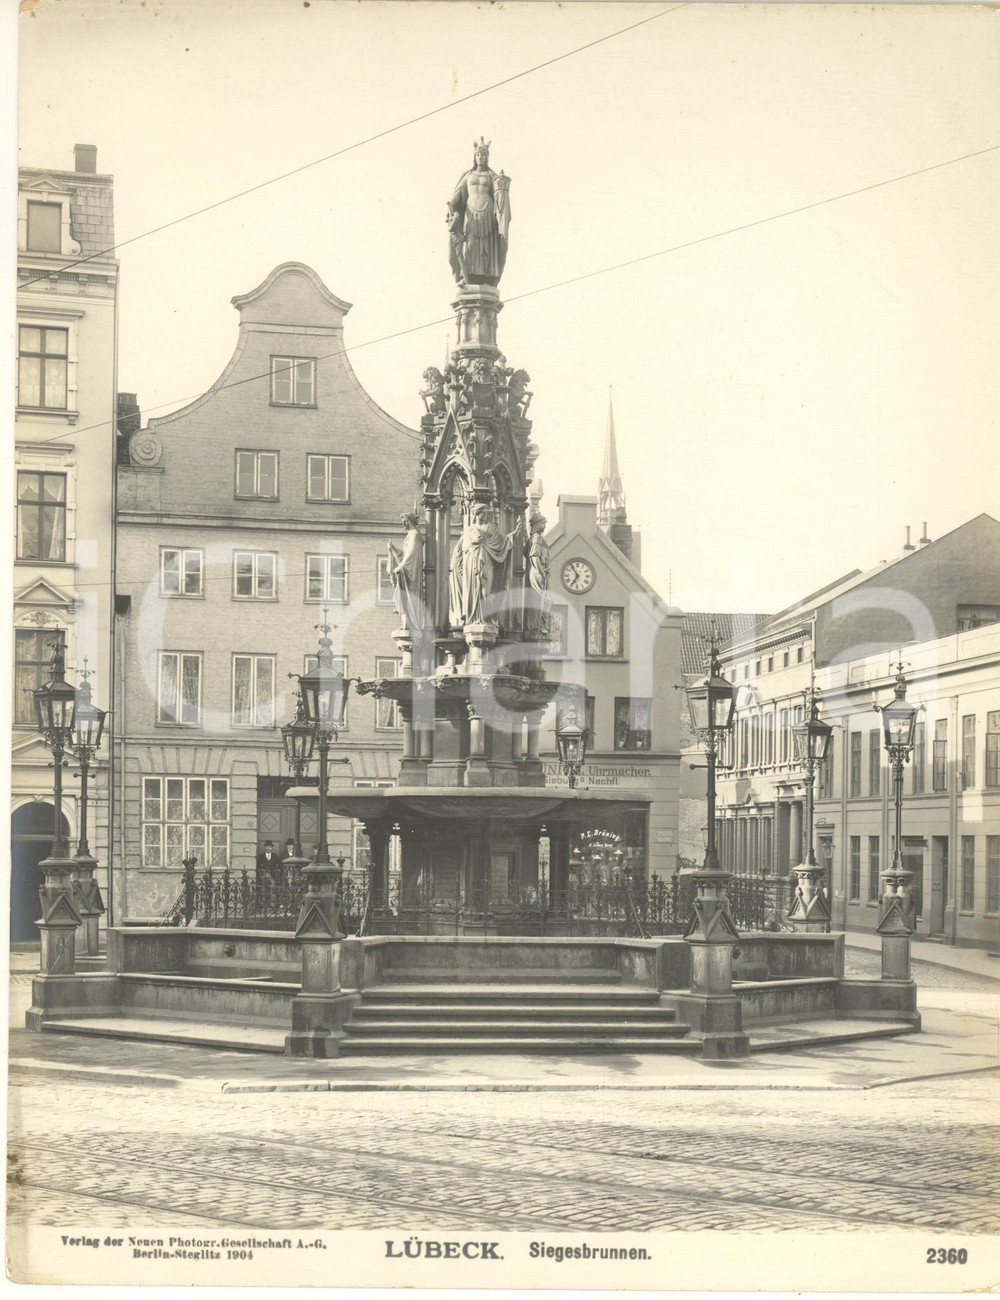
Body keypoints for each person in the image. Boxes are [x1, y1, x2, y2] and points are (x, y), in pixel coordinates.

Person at [447, 138, 511, 287]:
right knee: (471, 246)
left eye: (483, 155)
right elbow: (456, 198)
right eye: (478, 155)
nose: (480, 157)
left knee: (487, 247)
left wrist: (502, 185)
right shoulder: (467, 176)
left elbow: (499, 196)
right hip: (471, 215)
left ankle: (487, 278)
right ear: (474, 156)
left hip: (488, 215)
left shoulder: (492, 176)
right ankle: (468, 276)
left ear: (487, 157)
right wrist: (452, 209)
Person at [449, 504, 520, 627]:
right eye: (483, 513)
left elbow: (503, 542)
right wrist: (474, 542)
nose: (486, 515)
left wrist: (515, 532)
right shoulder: (470, 530)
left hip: (487, 563)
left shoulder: (491, 528)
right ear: (477, 513)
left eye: (486, 512)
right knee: (474, 591)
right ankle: (474, 619)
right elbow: (464, 548)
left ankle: (487, 620)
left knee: (486, 591)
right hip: (472, 564)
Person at [387, 511, 425, 632]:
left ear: (408, 521)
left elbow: (411, 554)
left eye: (404, 521)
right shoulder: (410, 535)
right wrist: (392, 549)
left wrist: (401, 566)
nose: (403, 524)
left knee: (406, 596)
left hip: (411, 572)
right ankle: (407, 622)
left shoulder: (415, 535)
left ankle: (411, 623)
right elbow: (404, 555)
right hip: (407, 570)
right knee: (400, 596)